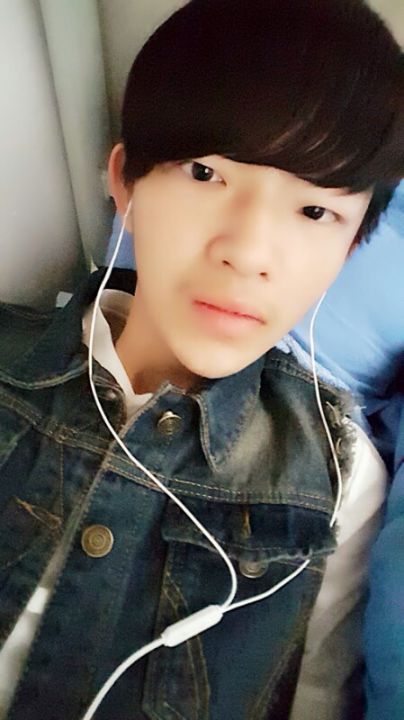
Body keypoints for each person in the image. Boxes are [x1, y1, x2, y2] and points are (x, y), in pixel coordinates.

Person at [0, 1, 403, 719]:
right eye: (204, 173)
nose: (247, 252)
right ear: (125, 183)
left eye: (315, 211)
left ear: (349, 248)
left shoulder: (339, 476)